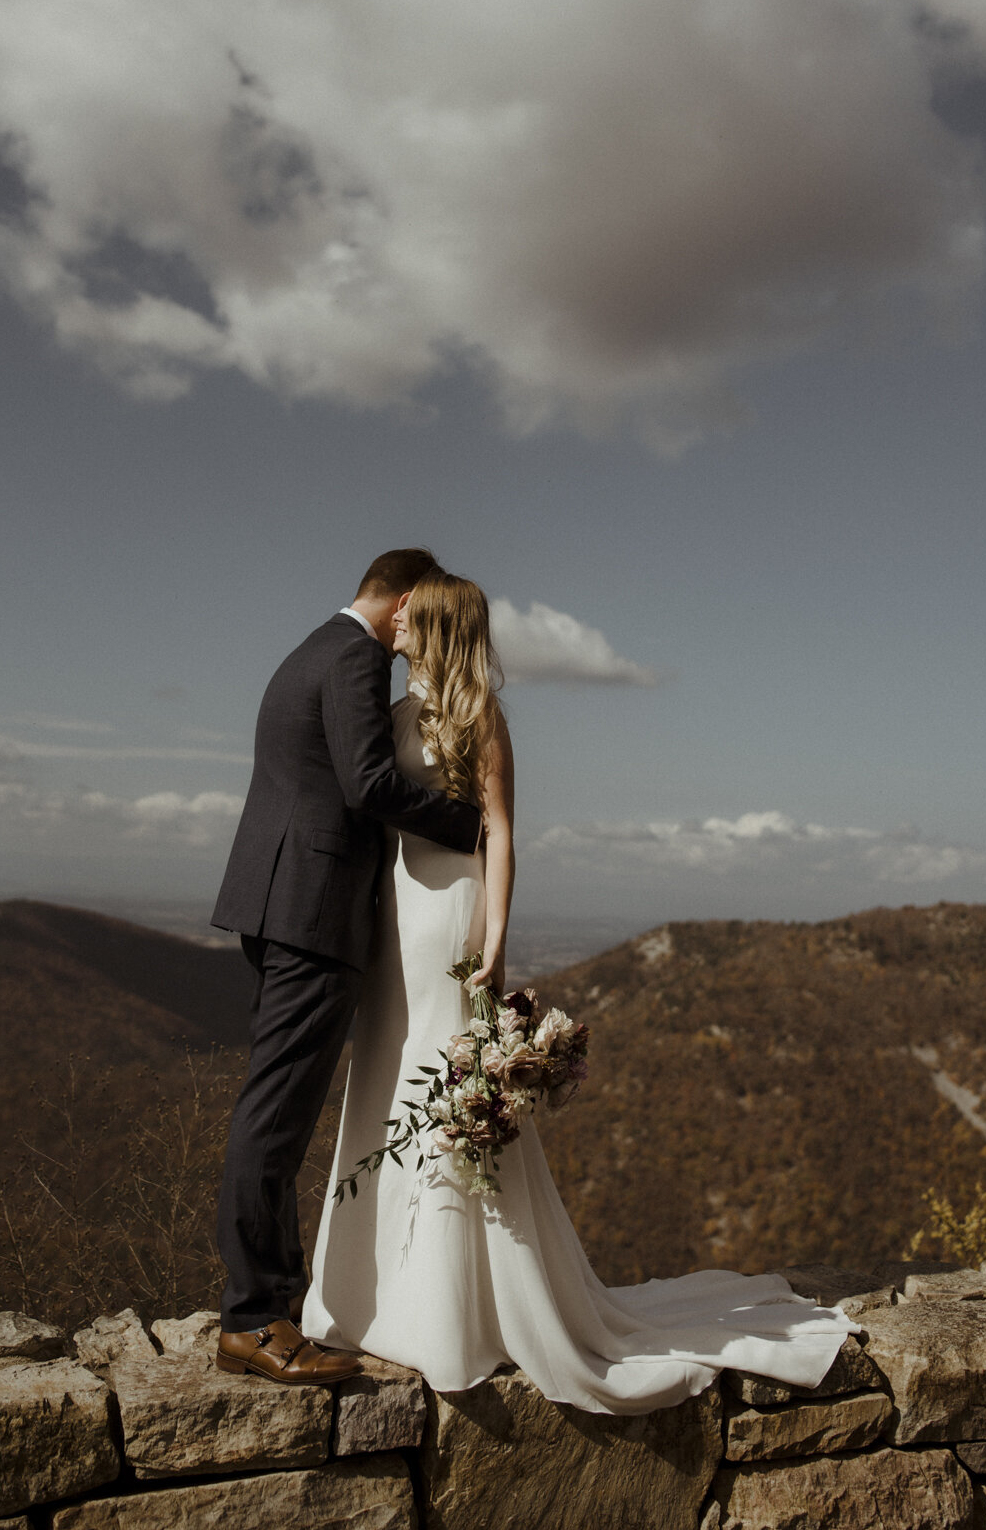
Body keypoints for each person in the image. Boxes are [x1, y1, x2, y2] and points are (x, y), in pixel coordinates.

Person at [303, 570, 858, 1412]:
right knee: (387, 1082)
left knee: (449, 1091)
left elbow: (500, 836)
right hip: (392, 922)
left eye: (414, 620)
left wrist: (493, 940)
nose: (398, 628)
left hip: (448, 921)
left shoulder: (482, 718)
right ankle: (381, 1289)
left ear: (441, 627)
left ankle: (456, 1309)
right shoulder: (389, 720)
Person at [211, 547, 483, 1387]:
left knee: (278, 1106)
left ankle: (275, 1303)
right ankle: (254, 1318)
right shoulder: (354, 658)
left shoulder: (311, 648)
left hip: (277, 900)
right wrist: (469, 825)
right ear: (403, 604)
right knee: (277, 1113)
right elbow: (367, 783)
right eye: (421, 612)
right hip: (312, 909)